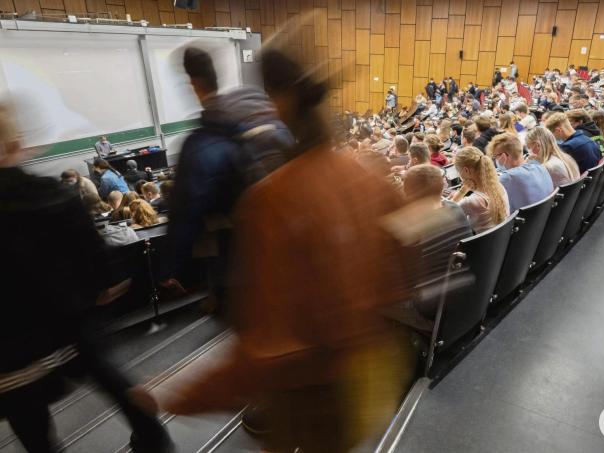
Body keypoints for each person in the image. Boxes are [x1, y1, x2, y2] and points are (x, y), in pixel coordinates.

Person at [157, 34, 418, 453]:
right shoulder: (365, 171)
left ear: (278, 100)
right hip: (367, 376)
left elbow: (267, 339)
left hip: (307, 395)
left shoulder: (270, 200)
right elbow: (406, 257)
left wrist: (183, 395)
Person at [0, 100, 172, 453]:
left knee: (33, 428)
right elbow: (100, 270)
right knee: (111, 379)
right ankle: (154, 436)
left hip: (12, 354)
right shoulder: (57, 196)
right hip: (73, 330)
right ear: (17, 145)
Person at [167, 46, 294, 311]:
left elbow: (184, 211)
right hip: (284, 243)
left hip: (239, 262)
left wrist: (171, 269)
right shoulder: (263, 113)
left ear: (192, 84)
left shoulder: (200, 144)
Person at [396, 164, 473, 321]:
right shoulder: (456, 209)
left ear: (407, 192)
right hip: (463, 293)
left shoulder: (407, 228)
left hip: (427, 304)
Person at [487, 133, 553, 213]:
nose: (495, 160)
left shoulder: (506, 178)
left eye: (495, 156)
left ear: (504, 156)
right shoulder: (540, 167)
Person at [450, 146, 510, 233]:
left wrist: (461, 192)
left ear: (466, 170)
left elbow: (447, 214)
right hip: (501, 241)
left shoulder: (472, 201)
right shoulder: (499, 186)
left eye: (459, 172)